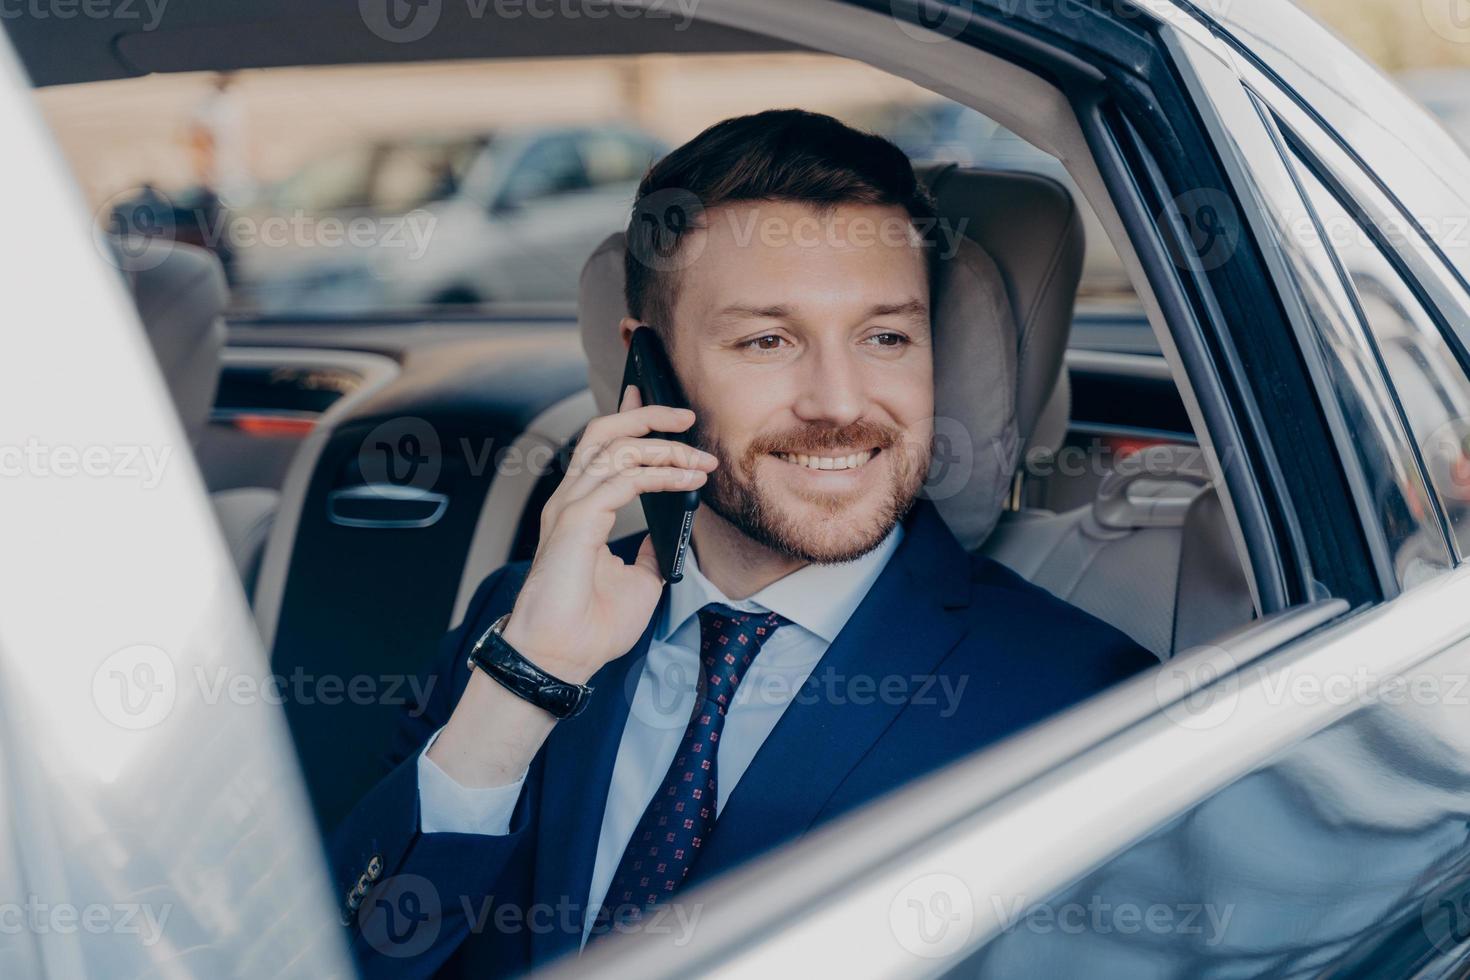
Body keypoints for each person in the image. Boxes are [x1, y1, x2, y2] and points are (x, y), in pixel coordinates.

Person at [330, 108, 1156, 978]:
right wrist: (525, 686)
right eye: (768, 340)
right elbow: (346, 957)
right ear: (647, 368)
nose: (839, 402)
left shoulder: (1083, 706)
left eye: (886, 337)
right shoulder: (518, 623)